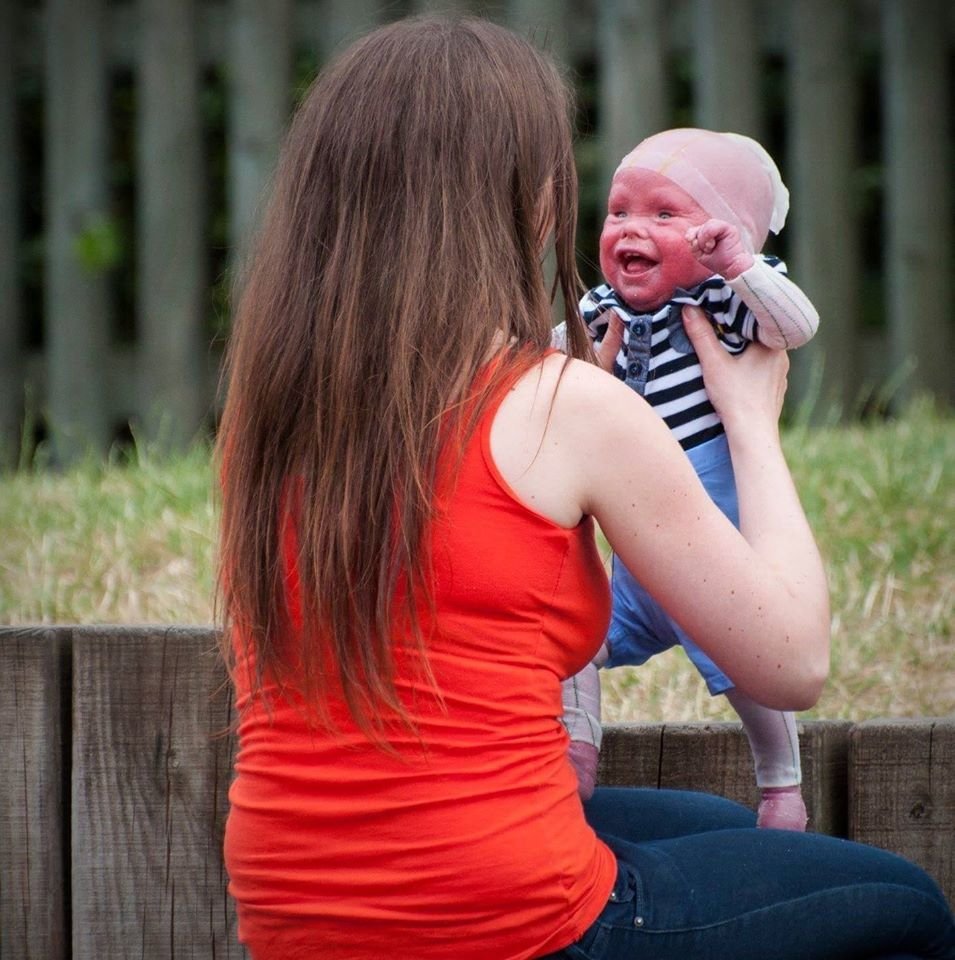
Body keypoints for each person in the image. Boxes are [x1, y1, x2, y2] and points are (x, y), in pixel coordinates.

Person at [215, 16, 955, 960]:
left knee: (704, 822)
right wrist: (751, 428)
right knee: (905, 903)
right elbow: (793, 662)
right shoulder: (559, 401)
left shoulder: (270, 412)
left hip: (297, 910)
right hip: (502, 922)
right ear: (525, 203)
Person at [557, 129, 819, 829]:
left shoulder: (728, 299)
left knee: (756, 678)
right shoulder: (598, 310)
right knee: (565, 636)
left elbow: (794, 328)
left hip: (716, 553)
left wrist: (739, 267)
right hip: (634, 559)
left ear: (723, 233)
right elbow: (539, 362)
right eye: (618, 212)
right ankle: (574, 749)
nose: (630, 229)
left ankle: (780, 789)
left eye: (663, 214)